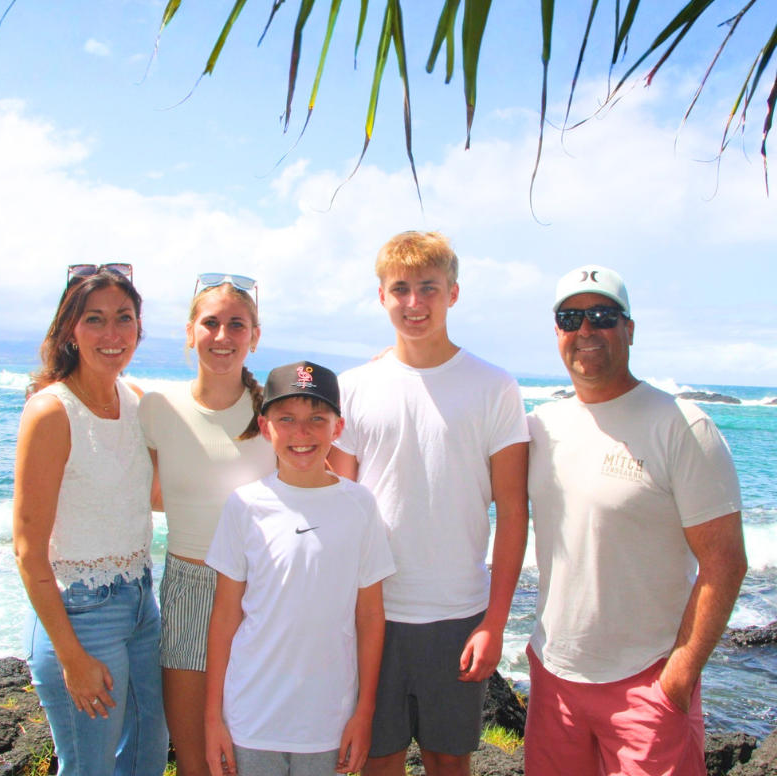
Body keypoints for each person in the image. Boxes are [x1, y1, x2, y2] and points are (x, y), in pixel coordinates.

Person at [525, 264, 748, 776]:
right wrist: (404, 361)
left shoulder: (683, 425)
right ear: (557, 331)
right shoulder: (541, 425)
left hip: (647, 682)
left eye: (602, 315)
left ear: (629, 329)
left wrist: (677, 678)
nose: (586, 330)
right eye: (571, 317)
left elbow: (726, 562)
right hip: (553, 678)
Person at [327, 231, 530, 776]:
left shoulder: (495, 387)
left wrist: (495, 621)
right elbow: (336, 505)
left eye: (429, 289)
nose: (414, 303)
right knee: (377, 759)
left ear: (453, 294)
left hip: (458, 613)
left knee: (448, 760)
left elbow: (513, 512)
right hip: (371, 611)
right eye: (401, 289)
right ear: (381, 296)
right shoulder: (354, 386)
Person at [204, 361, 395, 776]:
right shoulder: (245, 505)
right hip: (251, 717)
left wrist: (364, 711)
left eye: (317, 419)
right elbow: (224, 617)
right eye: (286, 418)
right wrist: (213, 717)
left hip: (327, 720)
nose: (302, 432)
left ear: (337, 428)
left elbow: (370, 615)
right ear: (265, 426)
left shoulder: (360, 505)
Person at [13, 264, 168, 776]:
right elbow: (28, 550)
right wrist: (70, 656)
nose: (111, 334)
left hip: (142, 602)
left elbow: (157, 495)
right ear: (70, 330)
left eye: (123, 318)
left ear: (139, 329)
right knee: (90, 768)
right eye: (94, 319)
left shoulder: (137, 400)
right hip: (80, 612)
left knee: (147, 755)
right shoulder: (51, 412)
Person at [137, 273, 276, 775]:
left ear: (254, 336)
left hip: (264, 593)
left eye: (236, 325)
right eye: (210, 323)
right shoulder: (155, 408)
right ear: (190, 331)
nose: (222, 336)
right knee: (196, 758)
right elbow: (138, 488)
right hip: (190, 588)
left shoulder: (276, 414)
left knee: (255, 754)